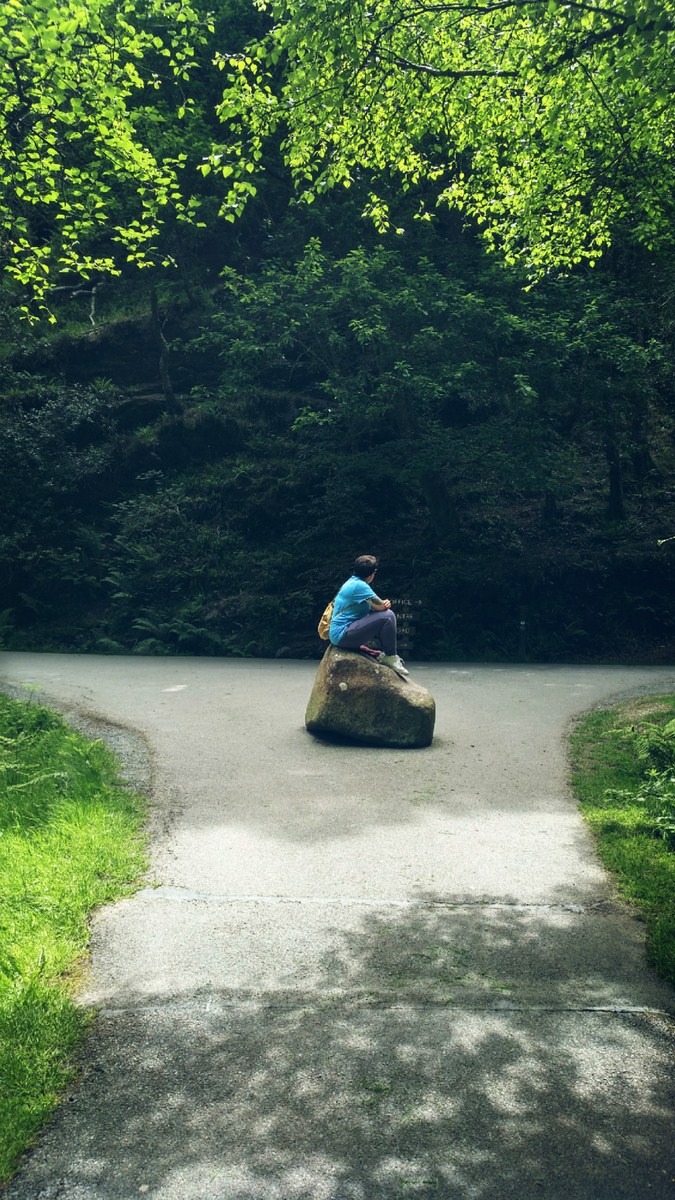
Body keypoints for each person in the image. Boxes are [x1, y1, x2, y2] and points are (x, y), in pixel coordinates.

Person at [329, 554, 409, 677]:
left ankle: (389, 656)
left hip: (340, 634)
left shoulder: (352, 582)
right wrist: (386, 603)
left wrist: (382, 605)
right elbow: (381, 607)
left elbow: (376, 607)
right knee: (388, 616)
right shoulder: (359, 586)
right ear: (373, 573)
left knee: (385, 615)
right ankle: (390, 657)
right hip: (342, 634)